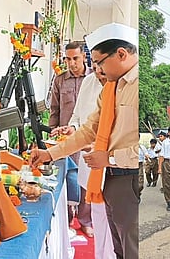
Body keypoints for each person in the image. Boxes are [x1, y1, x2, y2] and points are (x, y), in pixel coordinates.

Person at [30, 22, 139, 258]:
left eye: (99, 62)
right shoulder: (112, 87)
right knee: (116, 246)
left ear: (121, 54)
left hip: (129, 178)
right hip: (107, 178)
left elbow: (140, 148)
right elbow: (88, 129)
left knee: (130, 246)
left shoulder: (137, 86)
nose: (96, 69)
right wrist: (49, 154)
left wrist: (109, 157)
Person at [51, 64, 116, 257]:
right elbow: (82, 120)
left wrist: (95, 145)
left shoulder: (124, 88)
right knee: (99, 220)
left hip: (116, 171)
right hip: (92, 163)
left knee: (114, 234)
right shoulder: (89, 82)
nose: (98, 72)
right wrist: (72, 129)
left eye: (102, 66)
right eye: (95, 67)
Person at [49, 41, 92, 236]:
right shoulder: (59, 80)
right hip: (66, 140)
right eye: (67, 59)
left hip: (89, 138)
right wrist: (53, 130)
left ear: (84, 57)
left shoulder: (94, 78)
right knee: (66, 178)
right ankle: (66, 220)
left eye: (75, 58)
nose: (71, 63)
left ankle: (85, 220)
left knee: (86, 181)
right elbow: (55, 109)